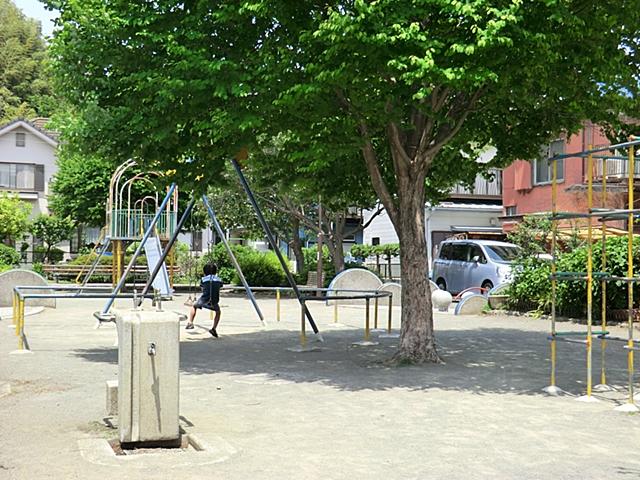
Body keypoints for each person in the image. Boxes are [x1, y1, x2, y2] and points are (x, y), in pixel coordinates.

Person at [186, 263, 223, 337]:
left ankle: (190, 322)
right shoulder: (219, 280)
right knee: (218, 312)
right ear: (215, 271)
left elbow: (203, 288)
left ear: (205, 272)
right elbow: (220, 287)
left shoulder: (203, 279)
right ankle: (214, 328)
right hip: (214, 300)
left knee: (194, 306)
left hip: (204, 299)